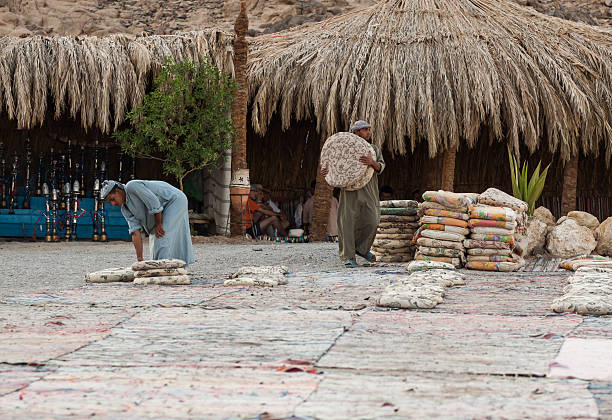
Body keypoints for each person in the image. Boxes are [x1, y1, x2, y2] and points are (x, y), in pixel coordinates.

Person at [321, 120, 385, 268]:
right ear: (356, 132)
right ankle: (349, 257)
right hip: (349, 190)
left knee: (372, 221)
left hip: (369, 190)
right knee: (347, 223)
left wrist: (371, 162)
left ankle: (361, 249)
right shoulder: (341, 147)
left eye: (369, 129)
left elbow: (381, 166)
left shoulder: (373, 149)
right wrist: (326, 171)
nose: (369, 132)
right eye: (365, 130)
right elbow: (331, 163)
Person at [101, 179, 195, 265]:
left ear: (118, 191)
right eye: (110, 202)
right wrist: (140, 258)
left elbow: (154, 203)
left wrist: (158, 224)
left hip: (174, 200)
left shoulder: (132, 186)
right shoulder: (125, 209)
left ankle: (164, 268)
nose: (113, 204)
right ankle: (165, 266)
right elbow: (135, 233)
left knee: (161, 236)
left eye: (112, 199)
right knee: (155, 241)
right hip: (161, 210)